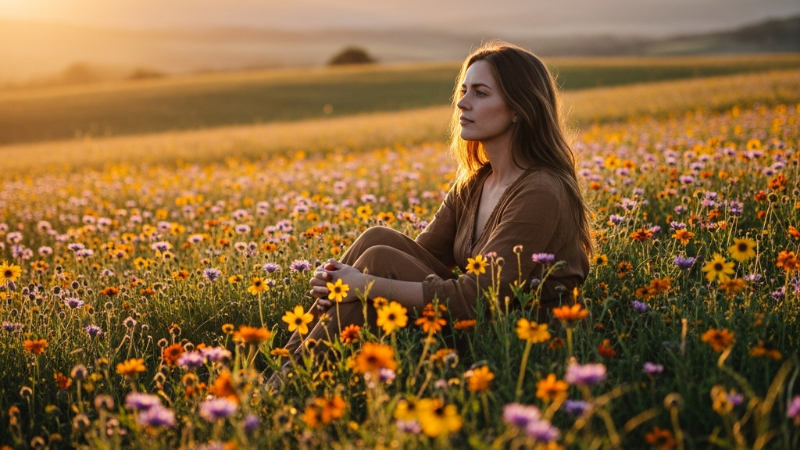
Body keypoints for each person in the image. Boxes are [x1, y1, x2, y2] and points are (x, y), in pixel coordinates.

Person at [280, 41, 592, 362]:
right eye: (463, 90)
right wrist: (342, 278)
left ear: (518, 109)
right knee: (377, 240)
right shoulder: (476, 182)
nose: (462, 104)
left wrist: (363, 283)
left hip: (521, 342)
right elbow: (419, 257)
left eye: (480, 93)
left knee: (378, 261)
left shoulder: (540, 190)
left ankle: (285, 382)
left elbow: (475, 300)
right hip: (476, 321)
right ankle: (285, 363)